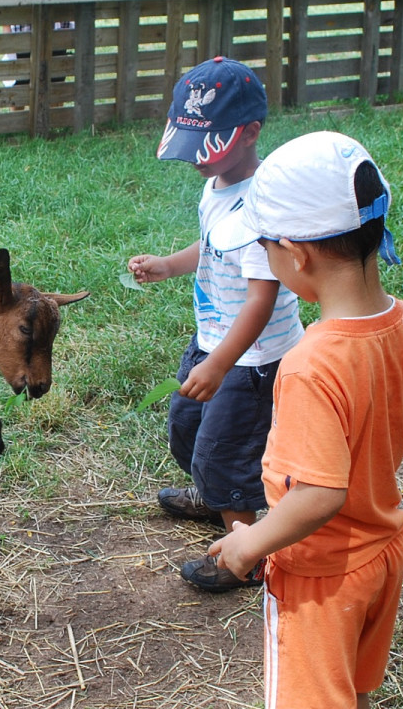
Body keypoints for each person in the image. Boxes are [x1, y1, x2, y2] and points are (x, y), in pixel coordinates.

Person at [205, 131, 403, 709]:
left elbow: (319, 495)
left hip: (321, 573)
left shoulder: (310, 363)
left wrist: (250, 543)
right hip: (383, 549)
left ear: (297, 253)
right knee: (351, 687)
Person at [127, 57, 304, 592]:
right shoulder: (218, 186)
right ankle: (215, 500)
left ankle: (245, 551)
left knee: (223, 454)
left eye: (210, 141)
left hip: (251, 360)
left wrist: (221, 365)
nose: (195, 158)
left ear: (250, 132)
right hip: (214, 343)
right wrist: (170, 265)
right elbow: (209, 246)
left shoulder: (261, 206)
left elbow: (261, 299)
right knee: (185, 429)